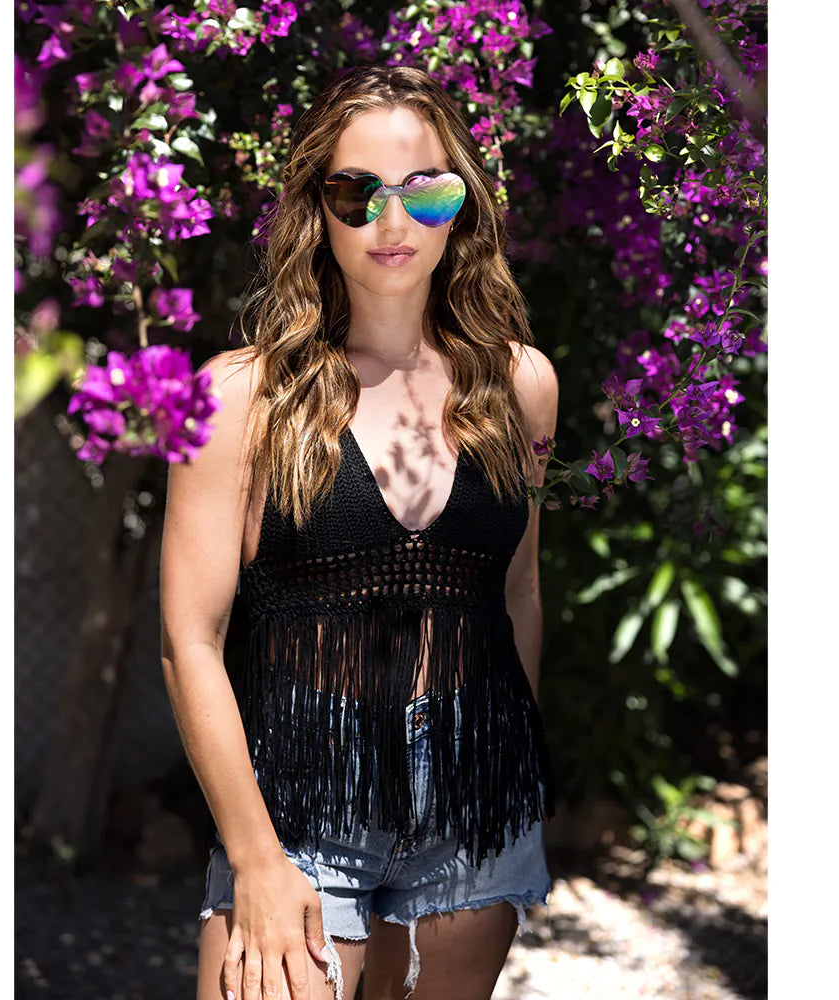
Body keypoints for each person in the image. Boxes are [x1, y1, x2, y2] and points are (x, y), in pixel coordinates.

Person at [160, 64, 560, 1000]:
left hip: (472, 795)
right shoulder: (240, 397)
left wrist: (507, 768)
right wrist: (256, 858)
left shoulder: (522, 384)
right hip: (300, 800)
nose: (393, 220)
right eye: (358, 193)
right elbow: (190, 640)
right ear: (318, 209)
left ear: (461, 206)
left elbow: (518, 591)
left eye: (426, 191)